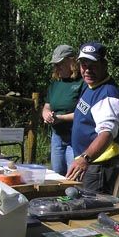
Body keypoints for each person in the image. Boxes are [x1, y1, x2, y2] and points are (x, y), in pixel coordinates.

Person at [66, 42, 119, 194]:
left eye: (92, 65)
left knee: (92, 214)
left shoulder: (107, 94)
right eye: (83, 65)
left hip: (99, 166)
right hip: (89, 163)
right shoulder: (91, 87)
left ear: (104, 65)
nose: (87, 70)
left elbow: (106, 133)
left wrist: (85, 159)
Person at [42, 45, 83, 176]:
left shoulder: (82, 83)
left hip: (74, 138)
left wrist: (59, 118)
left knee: (73, 177)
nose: (57, 68)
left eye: (61, 64)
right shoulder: (55, 84)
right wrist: (46, 114)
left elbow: (83, 113)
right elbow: (47, 106)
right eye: (55, 65)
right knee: (56, 174)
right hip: (57, 137)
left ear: (72, 62)